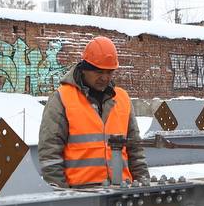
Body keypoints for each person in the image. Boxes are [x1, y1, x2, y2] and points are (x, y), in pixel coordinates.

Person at [38, 36, 148, 188]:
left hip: (121, 192)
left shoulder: (122, 98)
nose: (104, 78)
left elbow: (135, 149)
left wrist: (143, 185)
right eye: (98, 72)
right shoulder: (62, 98)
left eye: (109, 72)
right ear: (84, 68)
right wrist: (61, 195)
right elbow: (50, 152)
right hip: (79, 195)